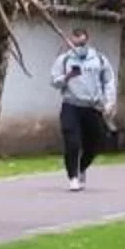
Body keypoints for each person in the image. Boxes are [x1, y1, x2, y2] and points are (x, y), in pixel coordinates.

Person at [50, 28, 115, 192]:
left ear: (88, 40)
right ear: (70, 42)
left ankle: (81, 168)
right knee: (72, 142)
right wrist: (67, 77)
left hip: (92, 107)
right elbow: (54, 81)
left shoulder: (99, 59)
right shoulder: (64, 60)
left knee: (96, 142)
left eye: (82, 43)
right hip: (71, 105)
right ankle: (73, 177)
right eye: (75, 43)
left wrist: (109, 103)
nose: (79, 47)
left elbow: (109, 81)